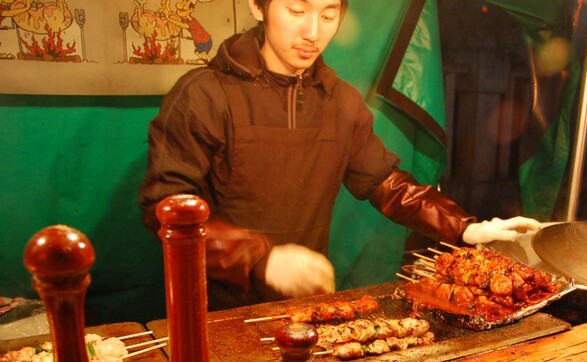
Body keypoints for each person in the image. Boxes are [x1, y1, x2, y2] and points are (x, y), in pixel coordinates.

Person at [139, 0, 540, 310]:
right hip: (211, 310)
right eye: (297, 10)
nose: (312, 32)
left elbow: (386, 183)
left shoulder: (340, 101)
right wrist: (259, 259)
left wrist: (466, 229)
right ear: (257, 6)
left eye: (329, 14)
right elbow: (163, 206)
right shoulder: (203, 95)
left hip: (303, 305)